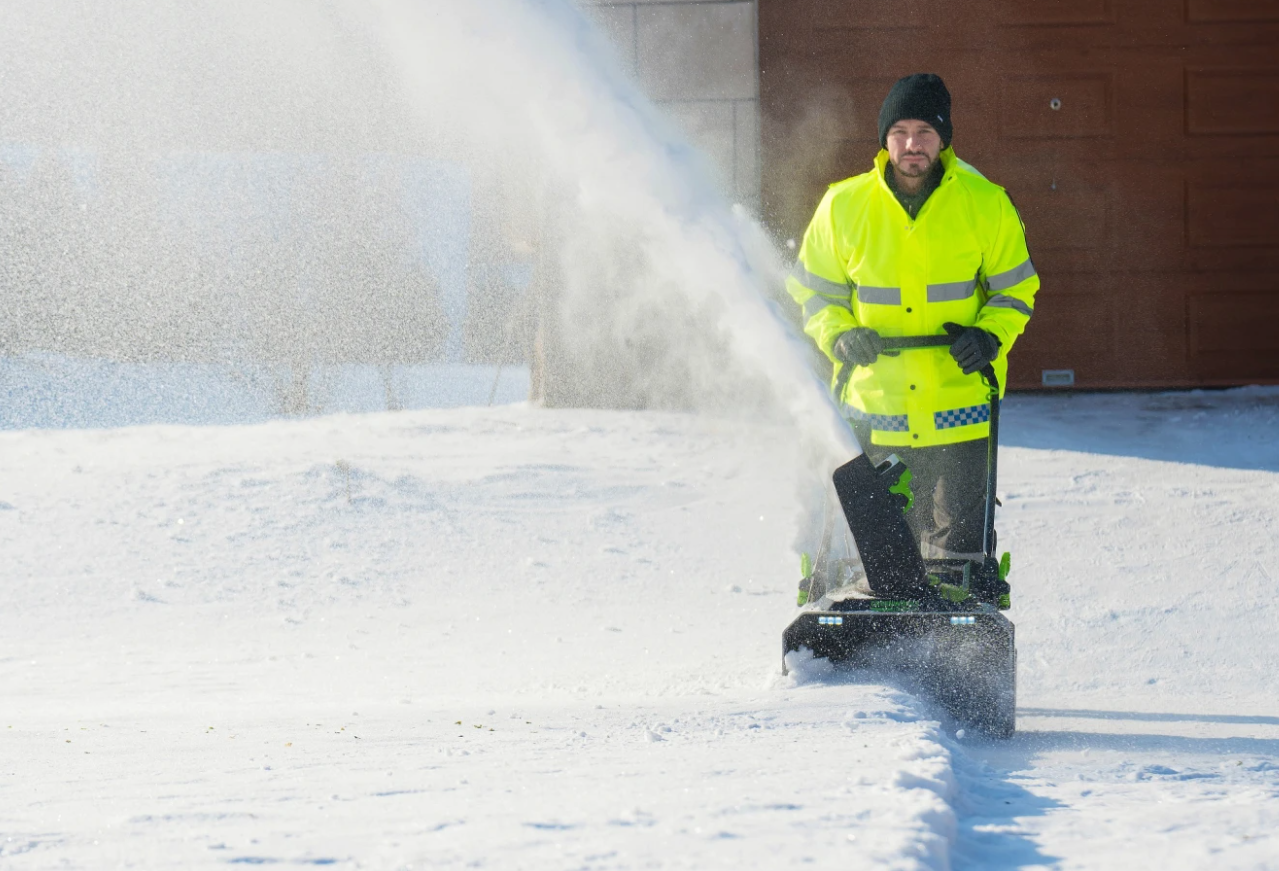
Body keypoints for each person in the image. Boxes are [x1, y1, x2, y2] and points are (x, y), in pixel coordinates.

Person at [787, 73, 1038, 576]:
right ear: (884, 139)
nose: (911, 144)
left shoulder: (984, 203)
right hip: (876, 412)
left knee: (957, 554)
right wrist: (840, 334)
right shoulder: (844, 206)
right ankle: (874, 646)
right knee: (880, 557)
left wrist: (989, 336)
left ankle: (956, 640)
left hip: (959, 408)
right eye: (899, 131)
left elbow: (1014, 291)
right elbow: (814, 293)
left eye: (924, 132)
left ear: (943, 139)